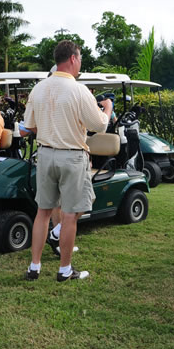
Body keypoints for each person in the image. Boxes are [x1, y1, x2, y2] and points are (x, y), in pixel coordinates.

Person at [23, 40, 113, 282]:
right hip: (71, 156)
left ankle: (34, 266)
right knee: (71, 214)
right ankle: (64, 270)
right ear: (73, 59)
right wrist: (107, 108)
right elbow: (99, 126)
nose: (80, 62)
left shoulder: (38, 88)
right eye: (80, 58)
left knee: (43, 211)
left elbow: (28, 126)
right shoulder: (79, 90)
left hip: (44, 154)